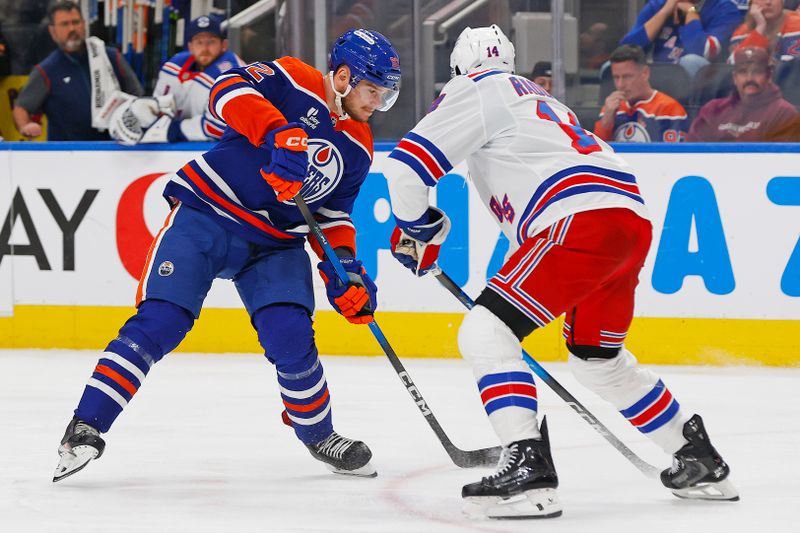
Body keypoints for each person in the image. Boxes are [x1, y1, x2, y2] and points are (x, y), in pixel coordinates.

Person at [383, 24, 739, 520]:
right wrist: (428, 234)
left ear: (459, 70)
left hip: (577, 220)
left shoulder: (477, 88)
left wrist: (418, 228)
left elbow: (404, 170)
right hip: (626, 221)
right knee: (597, 360)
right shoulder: (543, 104)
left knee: (486, 332)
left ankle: (528, 467)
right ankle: (697, 455)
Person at [52, 28, 401, 482]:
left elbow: (333, 214)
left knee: (291, 336)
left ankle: (319, 435)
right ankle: (84, 428)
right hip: (208, 213)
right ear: (342, 76)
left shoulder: (359, 146)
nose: (376, 103)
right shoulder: (295, 79)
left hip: (275, 242)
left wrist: (345, 269)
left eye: (385, 96)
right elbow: (226, 90)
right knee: (162, 321)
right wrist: (278, 131)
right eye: (372, 91)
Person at [12, 1, 142, 141]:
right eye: (65, 24)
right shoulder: (47, 70)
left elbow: (137, 96)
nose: (72, 28)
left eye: (76, 22)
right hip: (68, 154)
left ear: (84, 24)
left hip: (114, 148)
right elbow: (21, 108)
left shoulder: (110, 57)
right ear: (53, 31)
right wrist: (26, 126)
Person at [110, 15, 245, 145]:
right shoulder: (175, 65)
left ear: (224, 45)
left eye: (211, 42)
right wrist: (151, 112)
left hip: (234, 151)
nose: (205, 48)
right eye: (199, 42)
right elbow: (160, 104)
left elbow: (217, 129)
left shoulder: (232, 72)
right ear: (190, 46)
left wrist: (172, 130)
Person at [688, 46, 797, 141]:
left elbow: (781, 160)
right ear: (735, 77)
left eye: (757, 72)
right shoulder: (712, 110)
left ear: (769, 76)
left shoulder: (784, 113)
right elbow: (694, 154)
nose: (749, 78)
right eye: (743, 72)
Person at [619, 0, 742, 77]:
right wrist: (664, 12)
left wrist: (690, 12)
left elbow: (703, 52)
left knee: (690, 61)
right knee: (615, 66)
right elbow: (624, 51)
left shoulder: (725, 8)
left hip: (702, 84)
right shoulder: (658, 4)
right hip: (658, 73)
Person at [595, 45, 689, 143]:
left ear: (645, 73)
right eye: (616, 77)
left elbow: (674, 155)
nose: (620, 85)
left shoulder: (670, 109)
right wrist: (605, 124)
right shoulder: (610, 108)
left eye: (627, 77)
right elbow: (596, 153)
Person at [728, 0, 800, 62]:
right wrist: (760, 28)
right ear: (751, 3)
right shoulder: (742, 32)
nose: (768, 2)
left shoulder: (797, 25)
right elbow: (735, 65)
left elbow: (795, 67)